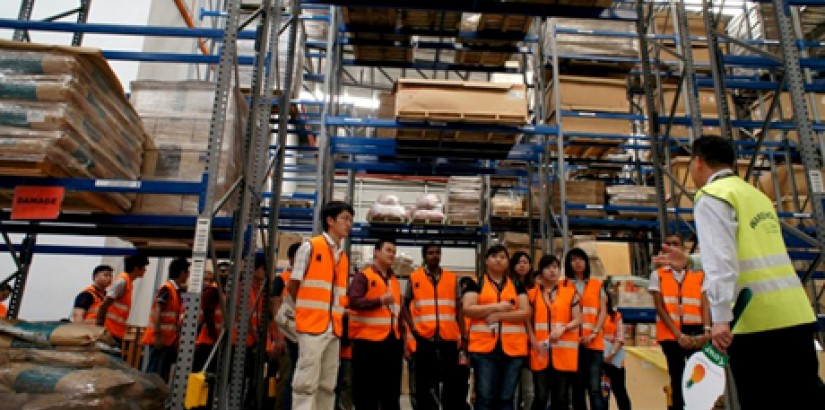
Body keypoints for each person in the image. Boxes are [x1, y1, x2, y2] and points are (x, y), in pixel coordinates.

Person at [653, 136, 818, 409]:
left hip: (756, 323)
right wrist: (691, 261)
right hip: (796, 315)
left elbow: (722, 265)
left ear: (698, 161)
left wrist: (720, 319)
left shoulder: (711, 197)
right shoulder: (755, 196)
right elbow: (747, 254)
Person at [289, 201, 353, 410]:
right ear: (330, 220)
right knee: (306, 384)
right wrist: (308, 312)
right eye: (344, 218)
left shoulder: (343, 258)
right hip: (312, 327)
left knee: (328, 385)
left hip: (333, 329)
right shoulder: (311, 246)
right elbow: (293, 285)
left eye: (351, 219)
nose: (349, 223)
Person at [462, 245, 531, 410]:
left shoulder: (516, 285)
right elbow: (468, 309)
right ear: (486, 260)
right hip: (484, 350)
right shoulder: (475, 283)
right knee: (485, 397)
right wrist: (498, 307)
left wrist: (500, 316)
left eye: (502, 257)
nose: (498, 260)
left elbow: (525, 312)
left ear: (508, 262)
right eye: (494, 256)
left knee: (506, 399)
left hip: (513, 349)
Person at [401, 243, 468, 410]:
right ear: (424, 257)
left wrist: (463, 333)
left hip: (448, 338)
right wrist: (414, 328)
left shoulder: (452, 278)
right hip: (425, 338)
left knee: (450, 382)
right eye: (431, 253)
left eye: (438, 252)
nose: (435, 256)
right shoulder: (415, 278)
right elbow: (404, 305)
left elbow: (459, 307)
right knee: (425, 383)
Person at [649, 234, 709, 410]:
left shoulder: (698, 275)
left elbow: (705, 303)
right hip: (671, 334)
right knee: (678, 375)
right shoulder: (658, 275)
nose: (672, 247)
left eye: (675, 244)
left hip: (696, 331)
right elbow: (660, 307)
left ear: (683, 248)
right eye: (668, 244)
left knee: (698, 375)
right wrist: (678, 335)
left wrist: (706, 330)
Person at [348, 238, 404, 410]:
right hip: (367, 344)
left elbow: (396, 311)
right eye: (388, 250)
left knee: (391, 393)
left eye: (394, 252)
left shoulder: (394, 280)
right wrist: (379, 301)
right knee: (366, 393)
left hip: (391, 343)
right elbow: (354, 301)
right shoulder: (363, 277)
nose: (392, 255)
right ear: (376, 252)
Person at [528, 255, 580, 410]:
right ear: (541, 272)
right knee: (540, 396)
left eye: (555, 267)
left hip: (563, 352)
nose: (552, 271)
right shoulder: (532, 294)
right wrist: (533, 342)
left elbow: (578, 319)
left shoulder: (570, 293)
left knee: (561, 397)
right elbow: (528, 322)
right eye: (548, 267)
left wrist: (563, 328)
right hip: (540, 351)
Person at [564, 247, 607, 410]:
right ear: (568, 263)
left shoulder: (597, 284)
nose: (577, 263)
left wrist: (594, 332)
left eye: (581, 259)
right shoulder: (563, 284)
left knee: (595, 388)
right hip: (571, 344)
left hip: (594, 343)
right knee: (577, 387)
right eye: (573, 259)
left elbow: (602, 311)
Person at [142, 257, 189, 383]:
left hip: (167, 340)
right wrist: (158, 336)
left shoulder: (177, 291)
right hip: (160, 340)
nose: (188, 276)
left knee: (161, 374)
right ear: (182, 273)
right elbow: (158, 310)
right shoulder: (167, 289)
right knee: (154, 374)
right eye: (187, 272)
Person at [272, 242, 302, 410]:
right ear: (291, 259)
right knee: (286, 380)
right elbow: (276, 310)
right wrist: (279, 338)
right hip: (286, 336)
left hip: (301, 337)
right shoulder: (282, 279)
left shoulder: (305, 279)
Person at [97, 254, 150, 347]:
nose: (145, 270)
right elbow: (104, 305)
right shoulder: (122, 282)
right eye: (144, 267)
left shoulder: (128, 282)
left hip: (116, 332)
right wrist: (100, 328)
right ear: (136, 268)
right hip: (110, 332)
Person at [509, 251, 535, 410]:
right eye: (519, 262)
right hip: (512, 342)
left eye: (525, 262)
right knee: (512, 391)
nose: (522, 265)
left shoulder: (536, 288)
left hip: (532, 346)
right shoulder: (508, 286)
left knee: (529, 392)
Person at [602, 291, 631, 410]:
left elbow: (620, 337)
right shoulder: (593, 316)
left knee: (620, 392)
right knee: (603, 394)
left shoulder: (616, 316)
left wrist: (611, 354)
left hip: (615, 361)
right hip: (599, 361)